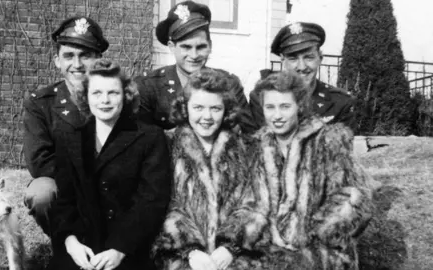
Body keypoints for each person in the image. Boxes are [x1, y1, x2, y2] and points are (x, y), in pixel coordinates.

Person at [47, 59, 171, 270]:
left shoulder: (150, 137)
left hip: (128, 249)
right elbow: (64, 200)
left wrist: (119, 249)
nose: (104, 100)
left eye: (113, 93)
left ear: (126, 96)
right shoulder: (70, 138)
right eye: (96, 93)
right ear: (86, 96)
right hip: (82, 249)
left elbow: (151, 202)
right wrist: (70, 242)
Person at [250, 71, 373, 269]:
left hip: (320, 250)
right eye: (270, 107)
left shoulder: (327, 141)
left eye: (285, 107)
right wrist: (268, 231)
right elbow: (252, 203)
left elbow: (353, 198)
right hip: (269, 247)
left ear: (299, 107)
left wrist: (312, 235)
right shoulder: (259, 146)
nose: (277, 116)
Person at [152, 69, 268, 270]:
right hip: (179, 256)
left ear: (226, 110)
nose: (206, 116)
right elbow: (161, 202)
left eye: (215, 108)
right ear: (185, 108)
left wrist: (230, 247)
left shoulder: (245, 148)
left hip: (234, 258)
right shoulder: (165, 145)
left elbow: (255, 202)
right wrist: (190, 250)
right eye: (198, 107)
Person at [23, 16, 108, 236]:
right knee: (41, 192)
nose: (77, 65)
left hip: (110, 187)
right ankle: (65, 241)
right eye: (69, 56)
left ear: (98, 59)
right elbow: (40, 161)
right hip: (65, 187)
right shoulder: (41, 102)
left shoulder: (114, 98)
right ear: (57, 61)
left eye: (85, 56)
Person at [136, 0, 258, 133]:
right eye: (186, 47)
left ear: (210, 46)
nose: (194, 55)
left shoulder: (229, 84)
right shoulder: (149, 86)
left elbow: (249, 135)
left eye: (201, 47)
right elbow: (141, 141)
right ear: (172, 47)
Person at [249, 22, 355, 131]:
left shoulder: (340, 102)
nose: (302, 67)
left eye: (309, 57)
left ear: (320, 58)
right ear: (282, 60)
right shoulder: (262, 98)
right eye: (293, 59)